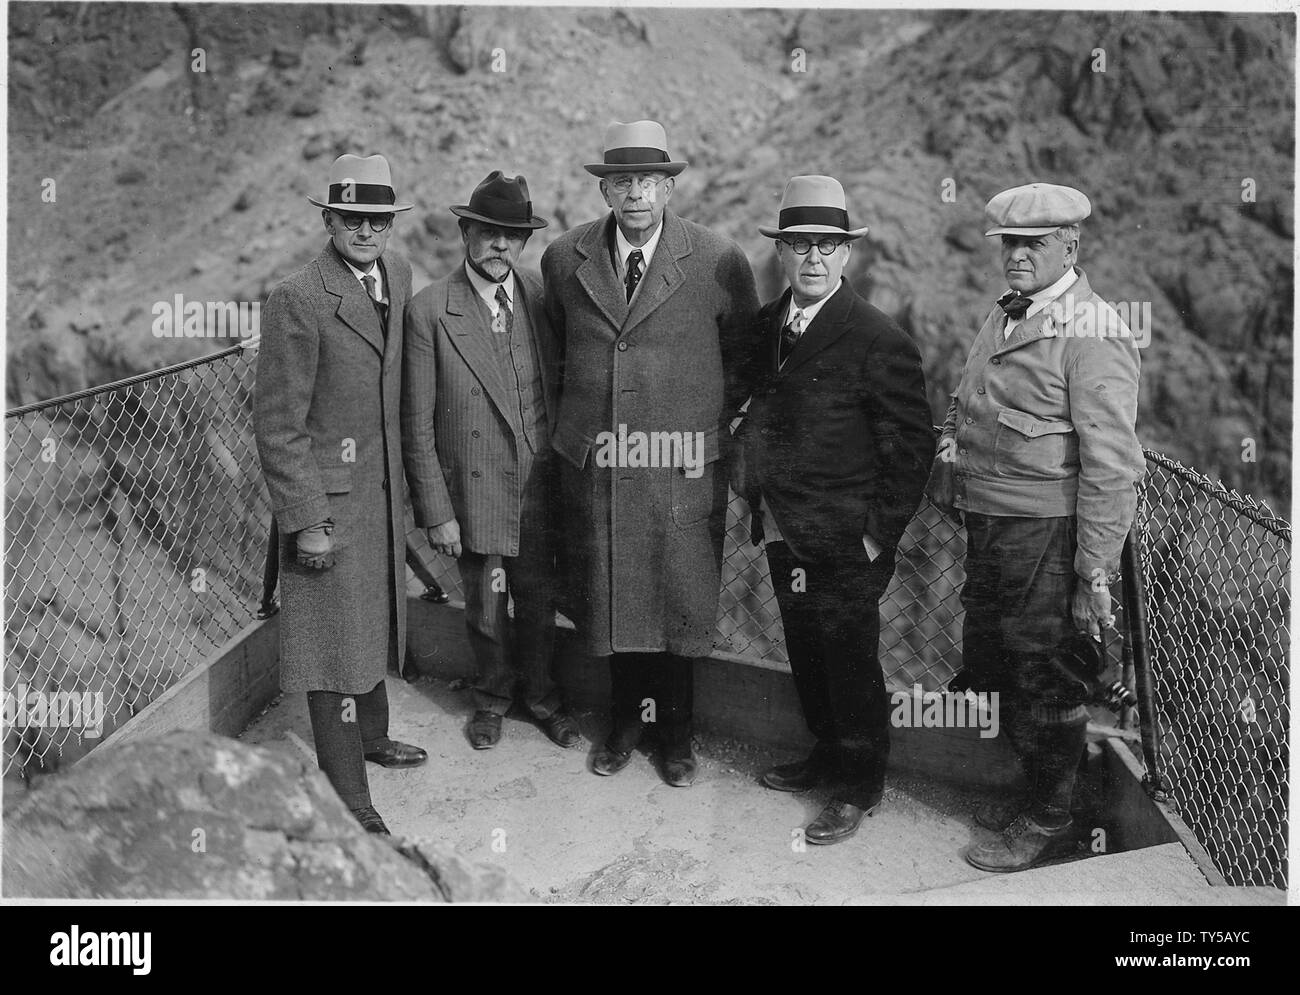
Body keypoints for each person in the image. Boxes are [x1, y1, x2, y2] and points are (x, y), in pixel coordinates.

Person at [926, 182, 1144, 872]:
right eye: (1008, 244)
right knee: (1002, 661)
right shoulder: (1008, 313)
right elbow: (966, 401)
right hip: (993, 524)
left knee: (1044, 675)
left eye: (1033, 244)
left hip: (1046, 534)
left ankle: (1054, 815)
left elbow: (1112, 466)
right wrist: (950, 456)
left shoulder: (1096, 331)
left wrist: (1092, 571)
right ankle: (1037, 795)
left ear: (1070, 246)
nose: (1016, 256)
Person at [541, 120, 759, 785]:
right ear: (604, 189)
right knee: (614, 600)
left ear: (668, 186)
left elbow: (743, 359)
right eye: (622, 181)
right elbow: (556, 354)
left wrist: (693, 427)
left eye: (649, 181)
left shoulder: (718, 260)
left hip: (681, 466)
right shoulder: (563, 258)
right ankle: (623, 726)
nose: (636, 193)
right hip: (600, 466)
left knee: (679, 603)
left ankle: (677, 738)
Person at [739, 175, 933, 844]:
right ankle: (825, 753)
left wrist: (878, 537)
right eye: (799, 244)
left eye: (827, 244)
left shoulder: (878, 339)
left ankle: (857, 787)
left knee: (851, 661)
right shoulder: (767, 325)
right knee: (807, 651)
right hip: (785, 530)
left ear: (848, 255)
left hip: (850, 541)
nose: (813, 257)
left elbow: (913, 447)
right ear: (782, 254)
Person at [254, 153, 426, 836]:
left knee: (371, 621)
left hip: (379, 493)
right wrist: (306, 521)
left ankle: (374, 737)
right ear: (328, 220)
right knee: (331, 648)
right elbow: (277, 423)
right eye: (352, 217)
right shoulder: (297, 298)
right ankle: (348, 792)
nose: (366, 229)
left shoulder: (399, 275)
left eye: (377, 218)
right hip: (329, 502)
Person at [403, 171, 581, 752]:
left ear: (524, 241)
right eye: (488, 233)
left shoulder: (536, 296)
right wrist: (436, 511)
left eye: (512, 234)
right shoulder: (430, 311)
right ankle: (491, 699)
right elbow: (417, 421)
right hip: (475, 489)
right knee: (485, 605)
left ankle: (543, 698)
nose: (500, 246)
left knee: (538, 601)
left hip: (539, 487)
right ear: (465, 233)